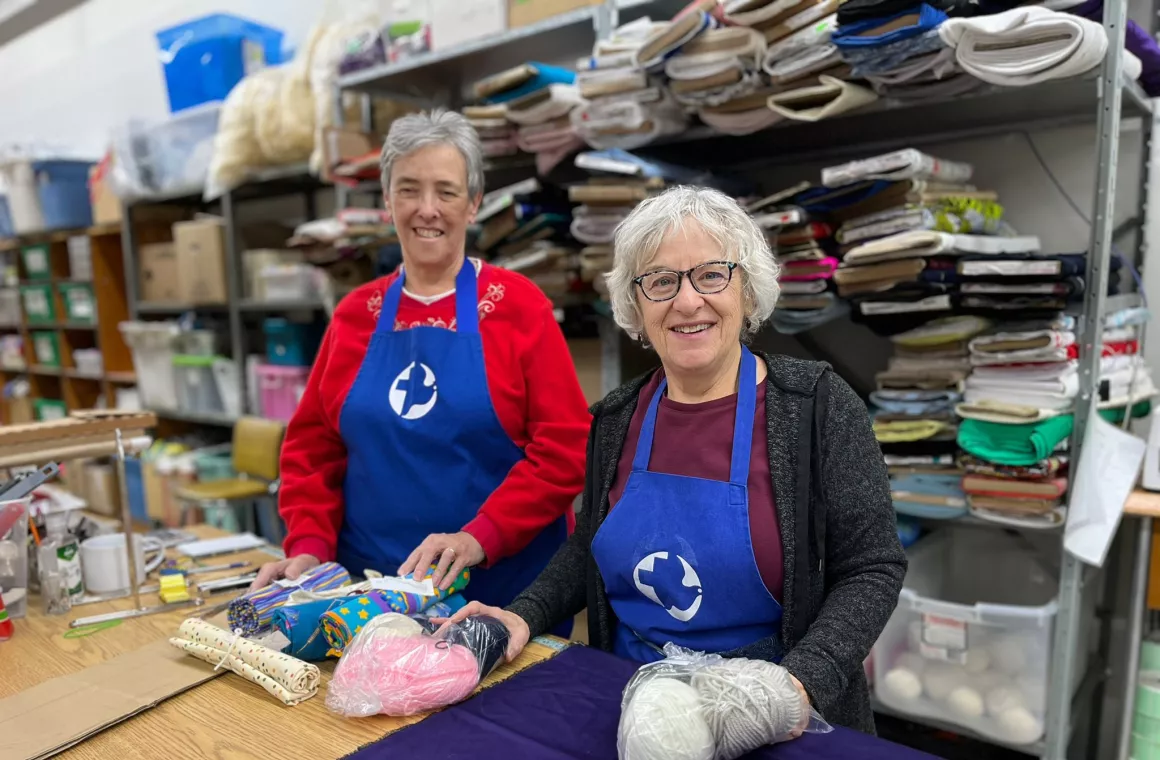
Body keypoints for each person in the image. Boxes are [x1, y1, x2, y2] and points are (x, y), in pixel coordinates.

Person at [443, 185, 907, 733]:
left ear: (748, 291)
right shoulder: (616, 419)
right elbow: (591, 546)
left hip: (769, 717)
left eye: (711, 274)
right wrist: (521, 615)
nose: (687, 302)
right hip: (631, 708)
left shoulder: (817, 408)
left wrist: (797, 685)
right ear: (636, 306)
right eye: (661, 282)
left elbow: (872, 567)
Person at [252, 110, 591, 614]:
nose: (427, 209)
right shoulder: (354, 315)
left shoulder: (520, 307)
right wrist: (309, 547)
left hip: (499, 592)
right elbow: (311, 449)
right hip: (367, 595)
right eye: (409, 190)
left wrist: (480, 536)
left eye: (446, 191)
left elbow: (566, 450)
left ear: (474, 203)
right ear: (387, 201)